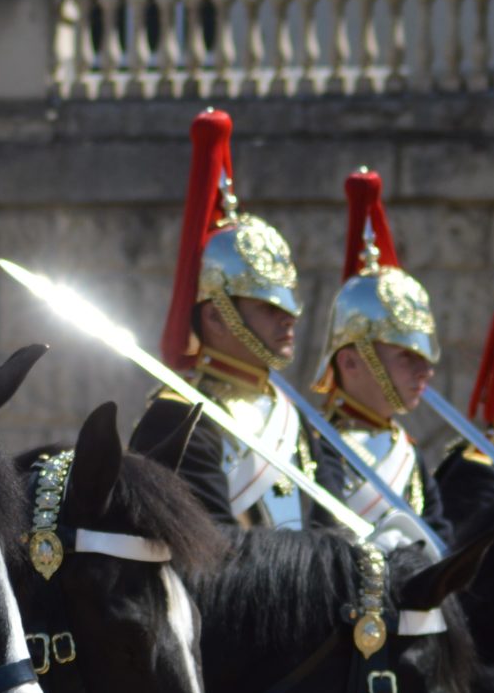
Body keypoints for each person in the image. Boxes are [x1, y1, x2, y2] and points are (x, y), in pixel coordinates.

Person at [126, 108, 353, 530]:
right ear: (216, 317)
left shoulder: (293, 416)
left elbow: (332, 529)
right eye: (269, 308)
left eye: (288, 307)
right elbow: (209, 551)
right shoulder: (178, 416)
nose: (288, 320)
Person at [309, 169, 446, 556]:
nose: (425, 372)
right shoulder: (320, 446)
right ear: (351, 362)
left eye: (424, 358)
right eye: (407, 356)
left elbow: (439, 536)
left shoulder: (406, 449)